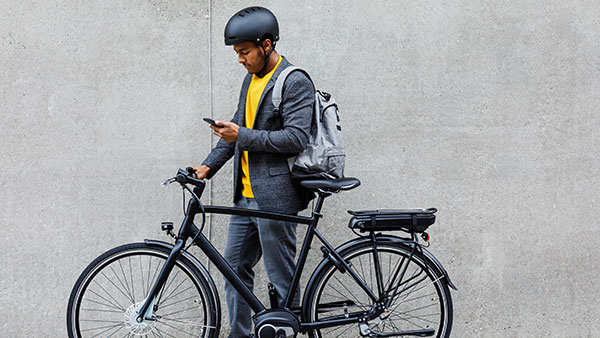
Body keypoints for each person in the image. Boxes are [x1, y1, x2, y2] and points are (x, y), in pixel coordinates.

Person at [191, 6, 315, 338]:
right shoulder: (251, 80)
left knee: (281, 279)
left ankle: (287, 331)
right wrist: (206, 167)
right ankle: (241, 334)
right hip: (244, 199)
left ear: (266, 44)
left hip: (274, 197)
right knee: (233, 270)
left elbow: (296, 138)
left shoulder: (294, 81)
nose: (240, 59)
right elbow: (235, 131)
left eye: (244, 52)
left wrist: (241, 135)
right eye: (237, 53)